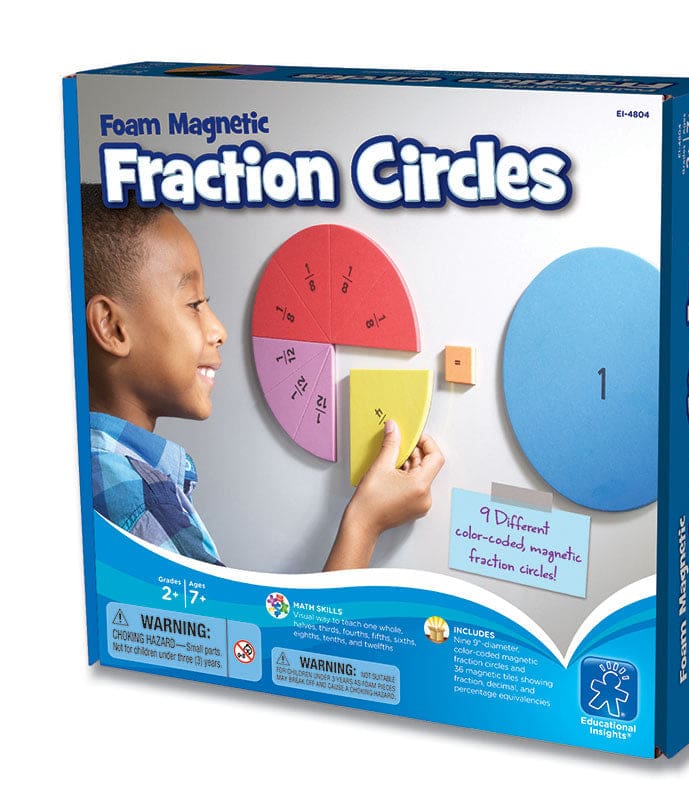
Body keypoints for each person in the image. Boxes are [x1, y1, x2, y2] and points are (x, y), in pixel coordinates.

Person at [81, 184, 444, 570]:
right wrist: (366, 522)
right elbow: (248, 620)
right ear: (112, 327)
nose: (219, 330)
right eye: (194, 304)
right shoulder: (141, 502)